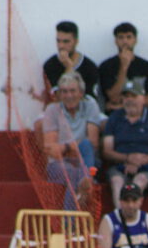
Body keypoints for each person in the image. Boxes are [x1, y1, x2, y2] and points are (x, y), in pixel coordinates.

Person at [102, 79, 148, 207]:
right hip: (119, 165)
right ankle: (120, 219)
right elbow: (107, 151)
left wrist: (141, 162)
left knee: (140, 180)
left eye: (134, 96)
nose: (129, 99)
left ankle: (132, 217)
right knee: (117, 181)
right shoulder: (114, 118)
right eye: (126, 96)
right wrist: (127, 158)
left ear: (143, 99)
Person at [41, 72, 102, 209]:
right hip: (59, 165)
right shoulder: (52, 110)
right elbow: (52, 150)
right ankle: (86, 181)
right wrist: (72, 146)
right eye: (64, 92)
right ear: (59, 94)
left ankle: (69, 226)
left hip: (86, 160)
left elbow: (93, 143)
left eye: (72, 91)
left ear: (81, 93)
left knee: (86, 147)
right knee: (76, 174)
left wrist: (65, 148)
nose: (69, 96)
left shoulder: (90, 106)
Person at [98, 22, 148, 111]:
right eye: (121, 37)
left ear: (135, 40)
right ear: (116, 41)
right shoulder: (106, 66)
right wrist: (124, 67)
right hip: (116, 116)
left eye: (129, 37)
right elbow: (114, 98)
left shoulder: (147, 66)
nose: (125, 41)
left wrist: (121, 105)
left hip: (141, 114)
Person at [43, 21, 98, 100]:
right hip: (58, 111)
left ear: (76, 42)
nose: (61, 46)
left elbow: (90, 101)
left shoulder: (89, 67)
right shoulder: (50, 65)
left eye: (66, 42)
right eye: (58, 41)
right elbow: (59, 98)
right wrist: (69, 68)